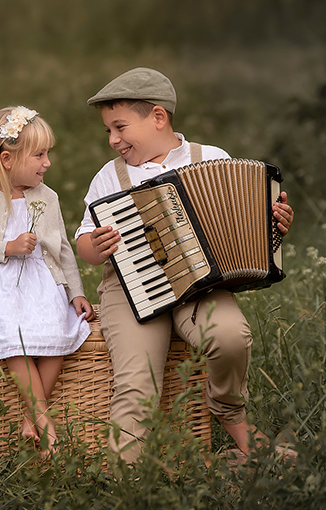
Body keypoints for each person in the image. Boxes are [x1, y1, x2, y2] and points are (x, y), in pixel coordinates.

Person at [75, 67, 294, 463]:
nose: (113, 140)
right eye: (108, 130)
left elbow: (244, 221)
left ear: (158, 117)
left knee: (230, 336)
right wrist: (96, 244)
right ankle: (126, 481)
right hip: (130, 287)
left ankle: (227, 409)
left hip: (202, 286)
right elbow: (84, 243)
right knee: (138, 381)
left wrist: (275, 223)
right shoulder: (111, 176)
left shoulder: (212, 159)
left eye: (120, 127)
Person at [0, 106, 95, 453]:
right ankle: (43, 419)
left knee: (64, 330)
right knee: (13, 334)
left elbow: (62, 250)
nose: (47, 163)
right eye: (39, 155)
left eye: (48, 153)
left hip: (42, 280)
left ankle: (31, 419)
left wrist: (75, 292)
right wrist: (9, 247)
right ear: (6, 158)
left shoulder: (47, 196)